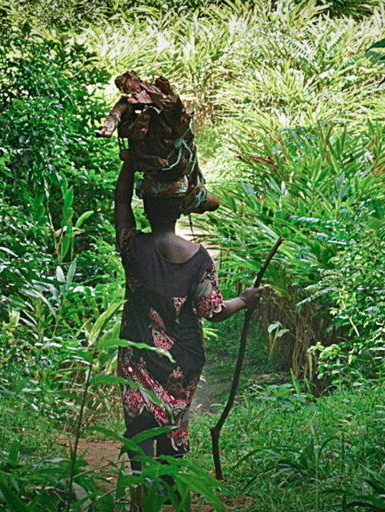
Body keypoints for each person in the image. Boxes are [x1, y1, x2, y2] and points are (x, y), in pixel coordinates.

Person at [113, 161, 263, 505]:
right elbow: (213, 312)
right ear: (181, 208)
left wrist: (129, 164)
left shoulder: (133, 248)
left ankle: (144, 491)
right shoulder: (199, 259)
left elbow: (121, 205)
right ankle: (169, 485)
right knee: (172, 418)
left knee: (140, 421)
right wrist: (244, 299)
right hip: (183, 358)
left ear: (146, 208)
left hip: (138, 354)